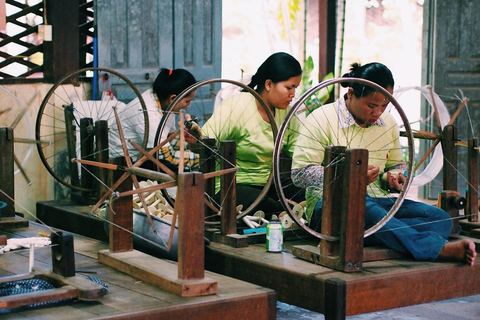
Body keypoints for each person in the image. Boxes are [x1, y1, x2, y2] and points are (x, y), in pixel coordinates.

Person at [291, 62, 476, 266]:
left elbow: (398, 165)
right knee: (365, 206)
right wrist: (349, 176)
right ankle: (434, 248)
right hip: (328, 208)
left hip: (381, 203)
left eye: (384, 105)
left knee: (441, 220)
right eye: (371, 105)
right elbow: (299, 174)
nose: (378, 112)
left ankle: (356, 236)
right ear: (351, 93)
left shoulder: (387, 122)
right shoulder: (321, 118)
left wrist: (395, 176)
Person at [200, 52, 303, 218]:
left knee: (308, 192)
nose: (292, 94)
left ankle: (282, 211)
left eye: (295, 88)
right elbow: (205, 142)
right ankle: (282, 212)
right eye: (289, 88)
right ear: (269, 84)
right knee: (265, 205)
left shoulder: (287, 115)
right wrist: (195, 140)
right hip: (232, 186)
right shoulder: (237, 105)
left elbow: (300, 153)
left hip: (268, 185)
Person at [109, 68, 198, 172]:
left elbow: (169, 139)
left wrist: (190, 142)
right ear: (173, 99)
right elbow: (167, 156)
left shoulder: (165, 102)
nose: (189, 105)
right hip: (120, 164)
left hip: (143, 157)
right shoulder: (148, 112)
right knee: (180, 171)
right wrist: (202, 159)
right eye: (187, 101)